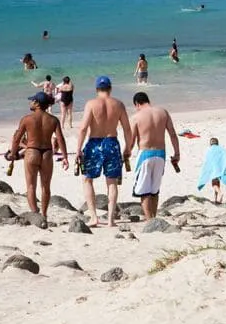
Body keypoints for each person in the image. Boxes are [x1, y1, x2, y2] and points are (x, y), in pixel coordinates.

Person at [75, 75, 133, 228]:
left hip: (94, 143)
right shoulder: (118, 105)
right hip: (111, 143)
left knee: (88, 179)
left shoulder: (91, 104)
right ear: (110, 88)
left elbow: (83, 128)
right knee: (112, 182)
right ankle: (111, 220)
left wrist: (78, 149)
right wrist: (128, 147)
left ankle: (94, 217)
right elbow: (127, 129)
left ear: (96, 89)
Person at [8, 91, 68, 216]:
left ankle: (35, 213)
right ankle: (44, 215)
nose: (30, 102)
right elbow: (60, 138)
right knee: (45, 187)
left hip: (31, 152)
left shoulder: (27, 119)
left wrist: (13, 154)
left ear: (37, 103)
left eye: (32, 100)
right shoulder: (53, 120)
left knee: (31, 186)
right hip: (46, 153)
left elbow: (16, 138)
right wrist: (65, 157)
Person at [126, 91, 180, 220]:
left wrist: (126, 154)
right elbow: (172, 134)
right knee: (155, 189)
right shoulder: (163, 112)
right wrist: (177, 153)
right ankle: (154, 218)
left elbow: (132, 141)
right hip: (161, 154)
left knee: (144, 190)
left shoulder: (136, 117)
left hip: (145, 154)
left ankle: (149, 220)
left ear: (137, 104)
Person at [197, 137, 226, 203]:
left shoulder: (210, 150)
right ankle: (216, 199)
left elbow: (208, 160)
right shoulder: (221, 149)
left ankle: (220, 194)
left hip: (214, 170)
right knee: (217, 183)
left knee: (214, 184)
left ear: (211, 143)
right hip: (220, 169)